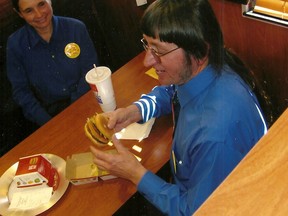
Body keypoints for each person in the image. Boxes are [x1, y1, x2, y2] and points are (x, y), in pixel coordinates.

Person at [90, 0, 271, 215]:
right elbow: (174, 91)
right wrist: (135, 111)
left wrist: (136, 173)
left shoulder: (215, 135)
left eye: (159, 51)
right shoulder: (208, 67)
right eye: (147, 45)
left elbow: (196, 211)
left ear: (199, 52)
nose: (147, 61)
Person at [6, 0, 99, 126]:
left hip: (87, 101)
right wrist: (49, 123)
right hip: (50, 116)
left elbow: (90, 69)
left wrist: (74, 110)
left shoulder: (76, 28)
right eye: (29, 10)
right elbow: (21, 92)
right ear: (20, 13)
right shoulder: (15, 45)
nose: (39, 14)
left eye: (41, 4)